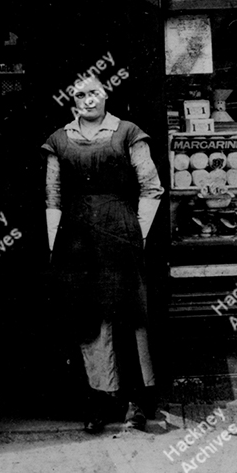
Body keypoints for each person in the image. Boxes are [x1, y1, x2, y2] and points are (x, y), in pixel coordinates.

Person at [43, 74, 163, 433]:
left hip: (121, 232)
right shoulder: (59, 140)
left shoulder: (127, 133)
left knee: (128, 315)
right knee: (87, 318)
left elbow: (152, 186)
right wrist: (54, 244)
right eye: (81, 94)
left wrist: (135, 234)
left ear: (106, 94)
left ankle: (135, 403)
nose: (89, 100)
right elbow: (53, 195)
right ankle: (98, 401)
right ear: (72, 100)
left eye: (95, 92)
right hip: (76, 238)